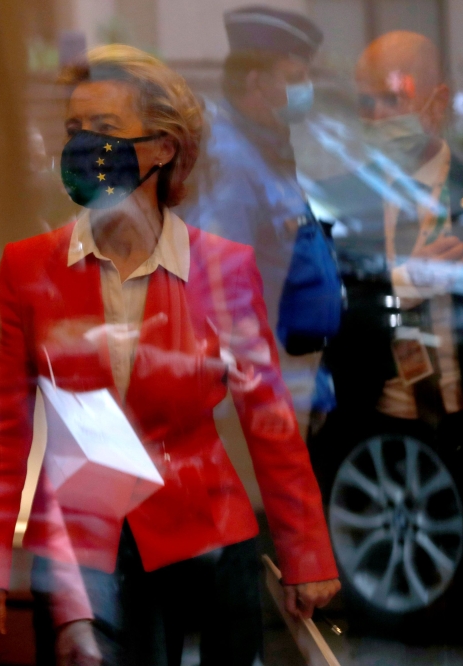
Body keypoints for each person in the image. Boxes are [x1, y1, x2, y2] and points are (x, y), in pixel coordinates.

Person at [0, 44, 339, 666]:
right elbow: (1, 428)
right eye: (75, 129)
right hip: (81, 549)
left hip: (205, 542)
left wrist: (307, 554)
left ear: (163, 148)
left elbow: (268, 418)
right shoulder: (28, 269)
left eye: (105, 128)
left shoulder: (222, 269)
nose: (83, 145)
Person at [182, 6, 335, 439]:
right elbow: (222, 295)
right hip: (257, 402)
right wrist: (263, 397)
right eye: (294, 77)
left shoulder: (266, 147)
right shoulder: (230, 160)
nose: (305, 89)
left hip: (291, 382)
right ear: (255, 82)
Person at [354, 31, 463, 425]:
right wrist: (404, 285)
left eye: (393, 100)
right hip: (381, 416)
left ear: (438, 102)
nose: (378, 116)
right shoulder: (352, 198)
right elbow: (339, 309)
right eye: (366, 103)